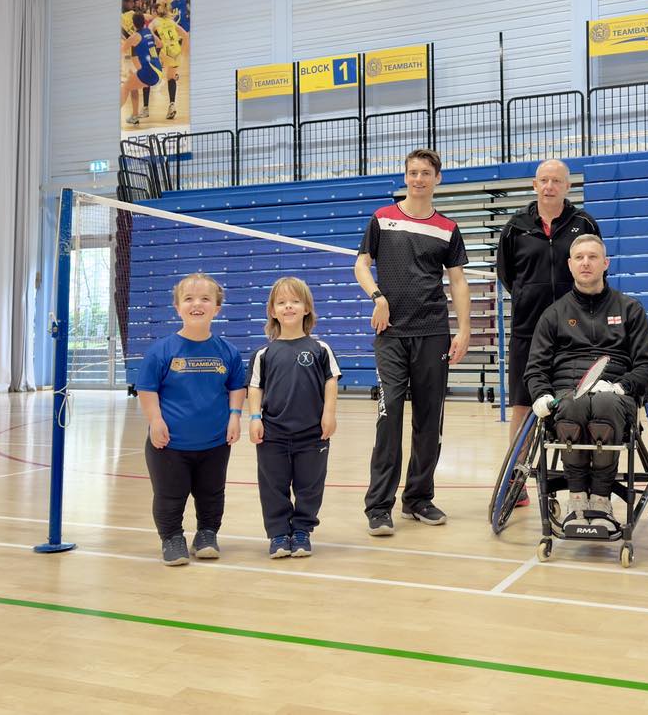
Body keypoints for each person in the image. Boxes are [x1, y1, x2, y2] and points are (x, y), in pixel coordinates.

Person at [355, 148, 471, 536]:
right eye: (412, 172)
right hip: (391, 334)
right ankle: (379, 506)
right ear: (405, 177)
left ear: (438, 179)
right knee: (389, 419)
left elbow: (457, 281)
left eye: (425, 173)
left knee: (428, 421)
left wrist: (464, 329)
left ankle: (418, 498)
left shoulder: (447, 228)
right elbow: (361, 263)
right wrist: (377, 297)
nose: (418, 178)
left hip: (433, 332)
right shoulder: (382, 219)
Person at [525, 235, 648, 532]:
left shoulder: (630, 309)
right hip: (566, 392)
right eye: (580, 257)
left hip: (615, 393)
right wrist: (540, 395)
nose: (586, 262)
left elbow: (646, 365)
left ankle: (600, 500)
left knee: (604, 402)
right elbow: (535, 367)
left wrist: (622, 387)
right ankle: (576, 498)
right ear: (570, 265)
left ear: (605, 263)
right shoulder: (553, 314)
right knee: (572, 404)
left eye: (593, 257)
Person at [136, 273, 246, 565]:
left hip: (214, 442)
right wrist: (156, 421)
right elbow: (147, 390)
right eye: (189, 298)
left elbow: (237, 386)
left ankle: (207, 534)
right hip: (170, 444)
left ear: (217, 308)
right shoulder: (162, 350)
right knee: (170, 495)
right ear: (177, 307)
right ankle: (172, 538)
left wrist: (235, 417)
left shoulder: (228, 351)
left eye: (205, 299)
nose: (197, 304)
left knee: (212, 493)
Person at [498, 159, 602, 447]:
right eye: (544, 180)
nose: (549, 186)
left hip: (577, 331)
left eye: (557, 181)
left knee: (582, 404)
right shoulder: (515, 228)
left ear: (567, 186)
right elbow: (507, 275)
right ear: (535, 185)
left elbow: (594, 271)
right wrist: (528, 296)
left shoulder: (584, 223)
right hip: (527, 332)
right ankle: (517, 484)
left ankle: (582, 479)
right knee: (522, 405)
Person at [247, 277, 340, 559]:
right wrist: (254, 417)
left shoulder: (320, 349)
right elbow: (255, 387)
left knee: (310, 485)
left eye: (295, 301)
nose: (288, 307)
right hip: (273, 433)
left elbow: (331, 381)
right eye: (282, 302)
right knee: (273, 485)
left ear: (307, 308)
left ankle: (301, 532)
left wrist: (329, 413)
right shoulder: (264, 353)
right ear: (273, 311)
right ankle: (277, 534)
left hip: (312, 433)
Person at [120, 11, 163, 126]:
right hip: (158, 70)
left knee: (125, 87)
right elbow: (160, 44)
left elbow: (123, 49)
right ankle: (134, 116)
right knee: (132, 85)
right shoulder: (149, 31)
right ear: (144, 22)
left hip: (149, 73)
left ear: (134, 24)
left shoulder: (135, 36)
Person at [148, 3, 187, 120]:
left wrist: (157, 39)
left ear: (155, 12)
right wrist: (183, 53)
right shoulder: (171, 21)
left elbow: (148, 31)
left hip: (166, 51)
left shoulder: (155, 21)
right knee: (170, 78)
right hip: (176, 52)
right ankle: (172, 105)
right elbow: (185, 35)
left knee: (156, 70)